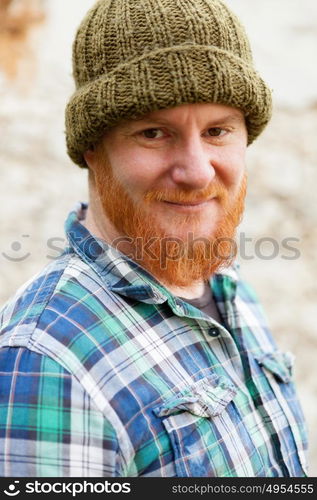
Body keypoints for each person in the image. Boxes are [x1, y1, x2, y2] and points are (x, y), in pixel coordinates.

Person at [0, 0, 308, 478]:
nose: (197, 170)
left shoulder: (224, 281)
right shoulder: (48, 360)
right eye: (152, 132)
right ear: (92, 149)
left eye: (217, 131)